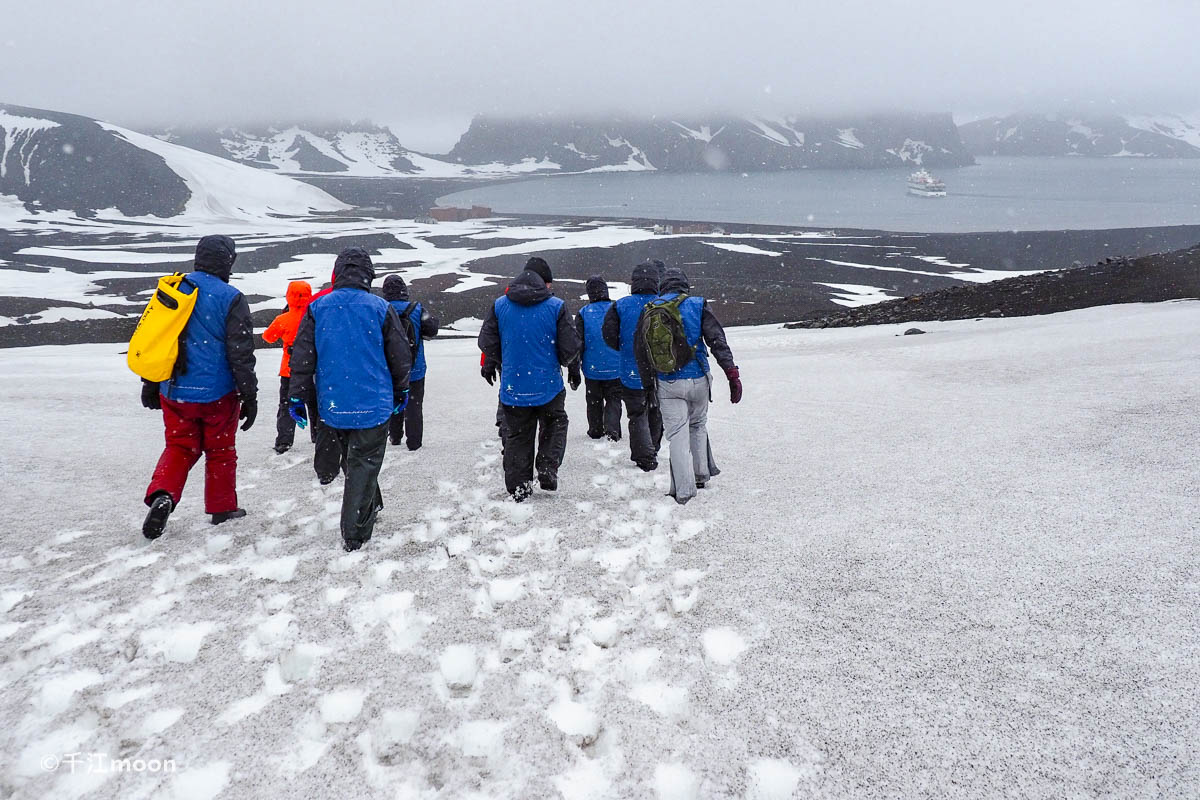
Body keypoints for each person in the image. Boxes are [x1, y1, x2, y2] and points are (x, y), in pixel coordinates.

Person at [289, 247, 412, 551]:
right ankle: (355, 532)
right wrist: (402, 390)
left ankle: (373, 504)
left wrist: (296, 396)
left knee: (355, 461)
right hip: (373, 401)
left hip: (333, 404)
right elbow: (399, 356)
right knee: (364, 462)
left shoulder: (318, 308)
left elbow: (303, 357)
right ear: (368, 274)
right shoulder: (380, 308)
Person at [140, 235, 257, 539]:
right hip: (218, 393)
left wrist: (151, 382)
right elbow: (240, 353)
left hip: (175, 388)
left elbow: (155, 338)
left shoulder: (172, 288)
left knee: (179, 446)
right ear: (228, 261)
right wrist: (250, 394)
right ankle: (222, 508)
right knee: (220, 450)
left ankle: (163, 494)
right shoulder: (231, 297)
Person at [635, 268, 742, 504]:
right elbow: (717, 341)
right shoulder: (698, 304)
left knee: (677, 435)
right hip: (699, 379)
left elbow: (641, 352)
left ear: (664, 286)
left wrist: (647, 387)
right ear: (685, 285)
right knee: (698, 425)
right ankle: (701, 474)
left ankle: (683, 490)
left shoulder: (650, 309)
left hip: (667, 381)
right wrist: (732, 373)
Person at [478, 256, 581, 501]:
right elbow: (570, 348)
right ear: (545, 283)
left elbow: (487, 342)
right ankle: (547, 467)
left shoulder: (500, 305)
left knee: (517, 435)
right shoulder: (556, 306)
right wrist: (566, 364)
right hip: (548, 385)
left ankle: (519, 487)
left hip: (514, 385)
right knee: (555, 423)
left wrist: (504, 360)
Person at [602, 263, 664, 471]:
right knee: (656, 409)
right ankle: (653, 447)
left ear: (633, 282)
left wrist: (626, 348)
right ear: (656, 281)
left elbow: (609, 335)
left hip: (630, 368)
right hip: (660, 370)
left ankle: (643, 455)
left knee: (637, 413)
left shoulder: (620, 305)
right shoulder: (664, 304)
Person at [382, 275, 439, 450]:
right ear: (404, 290)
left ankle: (395, 436)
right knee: (414, 406)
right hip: (415, 368)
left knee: (393, 401)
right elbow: (432, 330)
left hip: (389, 368)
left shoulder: (381, 308)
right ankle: (414, 442)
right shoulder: (417, 309)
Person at [261, 280, 313, 454]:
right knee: (315, 405)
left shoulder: (283, 319)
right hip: (312, 369)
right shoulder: (314, 317)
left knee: (286, 405)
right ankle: (318, 437)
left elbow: (268, 337)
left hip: (289, 370)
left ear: (289, 296)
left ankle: (284, 441)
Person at [575, 275, 622, 440]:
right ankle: (613, 430)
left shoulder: (583, 313)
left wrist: (576, 365)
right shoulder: (616, 309)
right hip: (616, 365)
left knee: (593, 399)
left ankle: (595, 430)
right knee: (614, 399)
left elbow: (578, 342)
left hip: (592, 367)